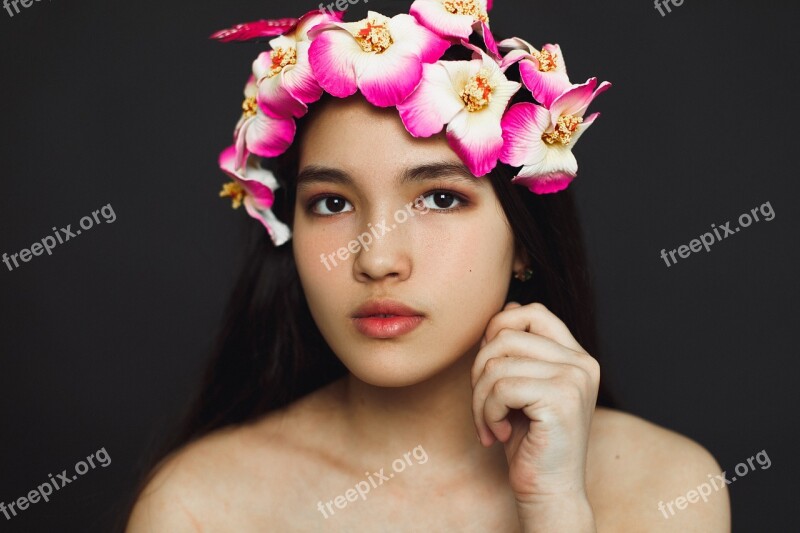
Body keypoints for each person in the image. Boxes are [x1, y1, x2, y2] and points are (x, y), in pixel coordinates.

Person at [126, 4, 730, 531]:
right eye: (331, 203)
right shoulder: (199, 509)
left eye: (441, 197)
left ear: (524, 241)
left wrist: (555, 510)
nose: (378, 258)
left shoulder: (668, 490)